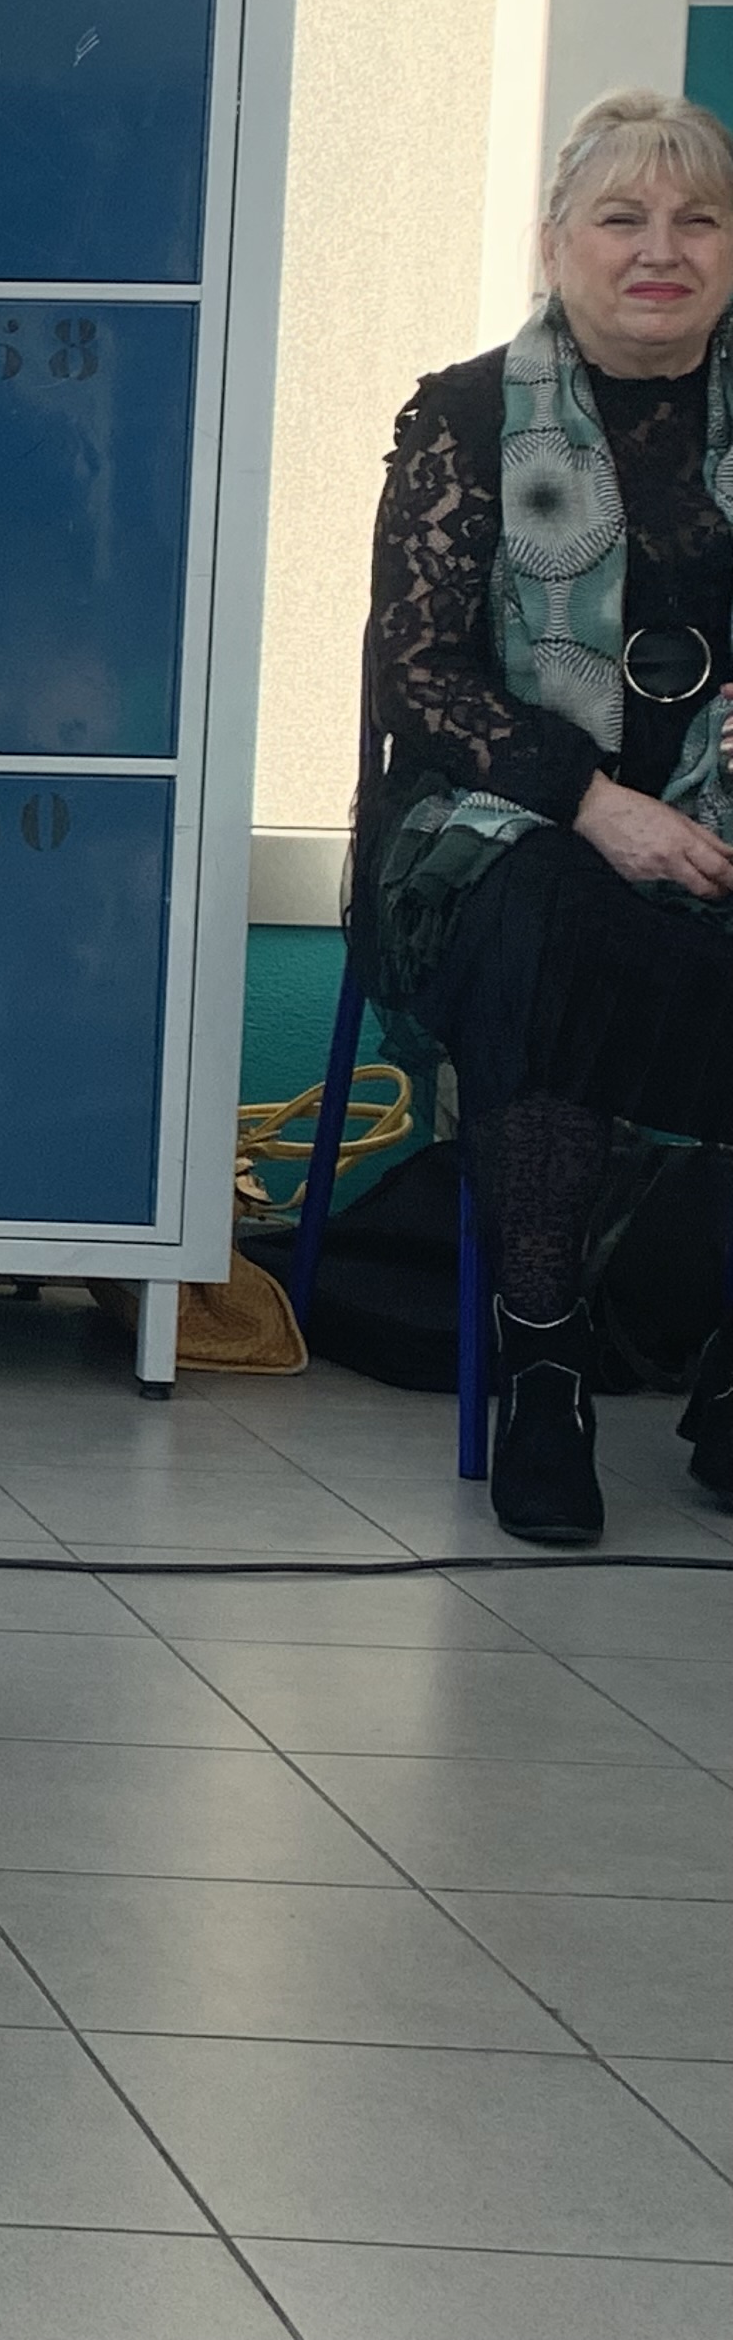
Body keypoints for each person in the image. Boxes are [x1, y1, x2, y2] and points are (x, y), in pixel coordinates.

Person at [353, 86, 733, 1544]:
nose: (661, 250)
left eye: (697, 219)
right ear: (555, 241)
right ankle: (548, 1368)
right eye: (622, 219)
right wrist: (600, 806)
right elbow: (419, 673)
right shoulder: (463, 413)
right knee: (551, 929)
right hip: (495, 831)